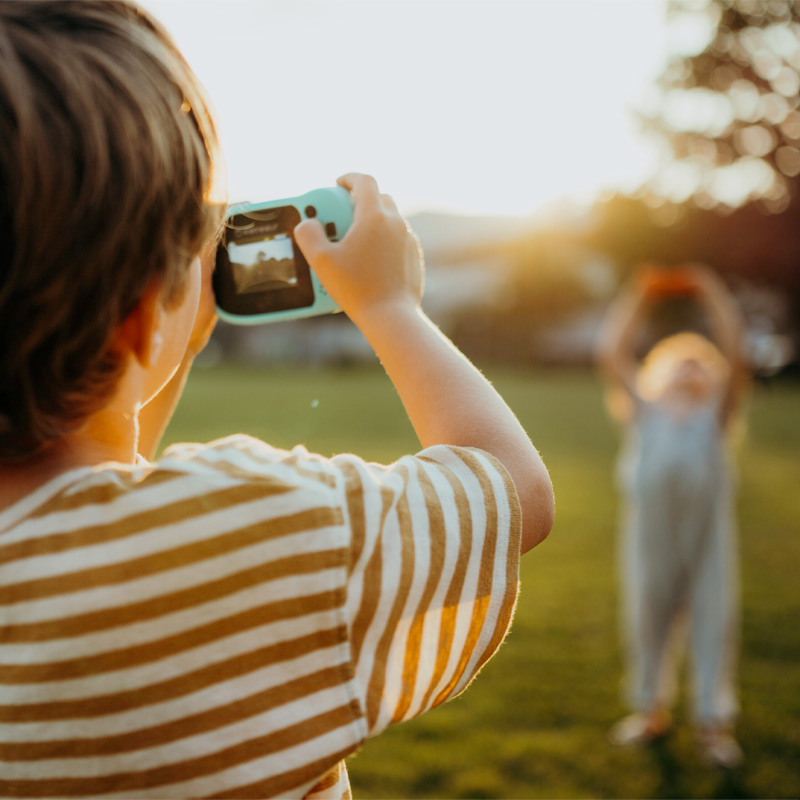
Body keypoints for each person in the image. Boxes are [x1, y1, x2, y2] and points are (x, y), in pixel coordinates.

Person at [0, 2, 554, 798]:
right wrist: (391, 306)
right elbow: (511, 492)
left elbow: (89, 503)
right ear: (138, 311)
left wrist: (171, 346)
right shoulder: (248, 527)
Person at [597, 263, 748, 769]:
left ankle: (713, 724)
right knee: (646, 621)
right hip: (650, 545)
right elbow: (612, 352)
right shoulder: (646, 414)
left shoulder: (714, 419)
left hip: (707, 548)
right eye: (679, 362)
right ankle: (650, 711)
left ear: (714, 379)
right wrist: (638, 296)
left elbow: (738, 354)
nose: (691, 368)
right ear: (657, 376)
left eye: (699, 363)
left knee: (713, 621)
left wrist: (712, 294)